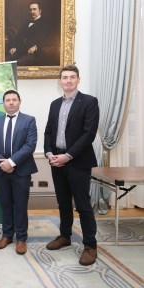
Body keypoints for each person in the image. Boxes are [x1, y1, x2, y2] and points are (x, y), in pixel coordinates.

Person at [44, 64, 99, 266]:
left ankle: (90, 246)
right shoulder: (54, 104)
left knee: (83, 206)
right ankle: (65, 236)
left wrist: (68, 155)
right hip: (56, 161)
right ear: (60, 81)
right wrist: (49, 153)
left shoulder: (89, 102)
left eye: (72, 77)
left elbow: (88, 134)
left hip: (78, 162)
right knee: (63, 203)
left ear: (78, 80)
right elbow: (48, 131)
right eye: (65, 77)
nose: (68, 80)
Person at [0, 90, 38, 255]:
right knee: (5, 204)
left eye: (14, 99)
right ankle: (7, 235)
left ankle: (21, 238)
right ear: (3, 103)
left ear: (19, 101)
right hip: (1, 170)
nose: (11, 102)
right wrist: (2, 163)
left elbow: (30, 145)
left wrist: (11, 162)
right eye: (7, 100)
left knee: (21, 206)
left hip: (21, 171)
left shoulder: (29, 120)